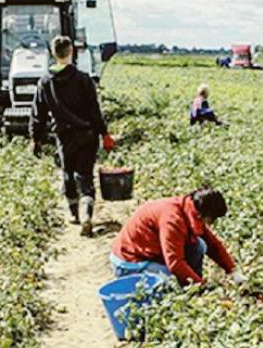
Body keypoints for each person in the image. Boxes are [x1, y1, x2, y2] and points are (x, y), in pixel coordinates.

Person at [32, 35, 113, 237]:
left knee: (68, 174)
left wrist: (36, 138)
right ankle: (86, 214)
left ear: (53, 53)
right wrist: (104, 133)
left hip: (64, 136)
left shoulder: (45, 82)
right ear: (71, 52)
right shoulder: (83, 79)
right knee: (84, 174)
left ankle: (74, 213)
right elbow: (94, 111)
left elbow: (38, 114)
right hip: (87, 135)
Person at [111, 189, 243, 287]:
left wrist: (232, 270)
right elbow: (175, 263)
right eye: (212, 219)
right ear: (202, 215)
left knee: (199, 246)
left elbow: (213, 244)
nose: (211, 223)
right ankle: (190, 287)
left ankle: (190, 284)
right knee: (171, 284)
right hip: (130, 261)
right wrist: (200, 286)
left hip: (150, 252)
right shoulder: (173, 220)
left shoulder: (189, 209)